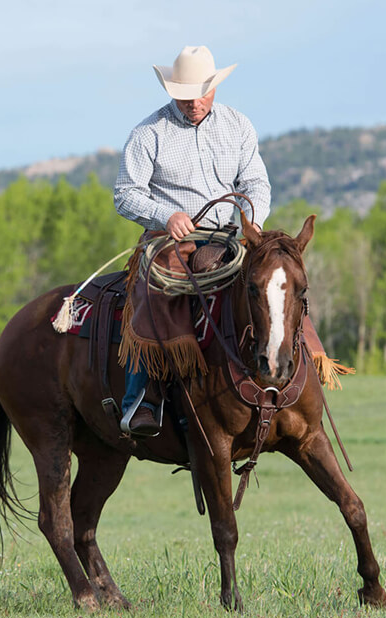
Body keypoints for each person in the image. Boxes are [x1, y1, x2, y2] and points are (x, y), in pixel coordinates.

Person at [113, 45, 271, 437]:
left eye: (200, 94)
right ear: (171, 93)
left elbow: (255, 182)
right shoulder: (148, 133)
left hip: (228, 237)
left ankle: (295, 370)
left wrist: (252, 220)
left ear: (214, 88)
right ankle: (142, 399)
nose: (193, 103)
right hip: (170, 242)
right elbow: (125, 193)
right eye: (184, 96)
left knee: (275, 283)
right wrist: (166, 216)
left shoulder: (237, 125)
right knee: (155, 294)